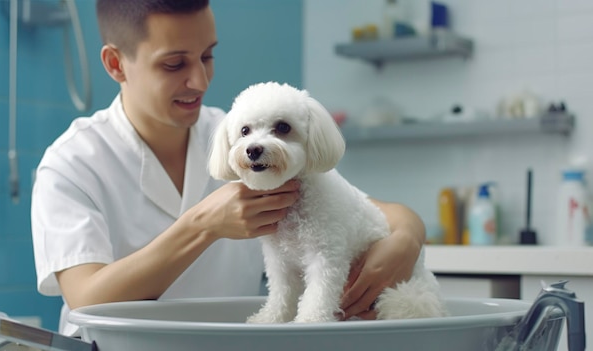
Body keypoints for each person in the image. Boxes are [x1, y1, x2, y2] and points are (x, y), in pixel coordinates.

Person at [31, 0, 426, 335]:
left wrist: (408, 237)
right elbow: (86, 298)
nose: (200, 80)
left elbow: (366, 208)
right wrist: (202, 225)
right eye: (174, 65)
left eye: (207, 55)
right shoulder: (71, 164)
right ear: (116, 64)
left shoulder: (239, 134)